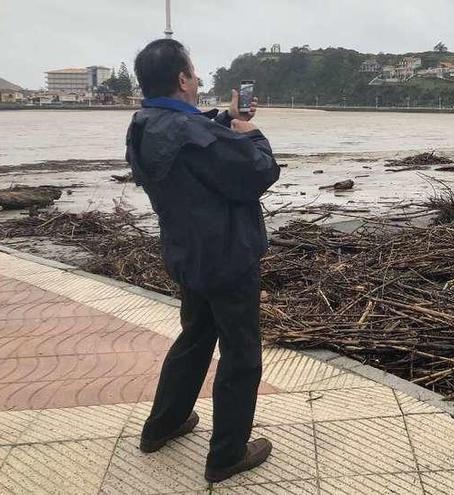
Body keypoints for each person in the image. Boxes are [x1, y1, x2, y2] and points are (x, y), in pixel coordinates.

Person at [126, 38, 280, 483]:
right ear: (182, 78)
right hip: (229, 257)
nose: (196, 81)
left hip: (186, 253)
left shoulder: (143, 124)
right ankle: (227, 454)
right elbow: (256, 173)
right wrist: (254, 134)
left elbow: (193, 140)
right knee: (241, 353)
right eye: (193, 74)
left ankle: (163, 424)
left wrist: (229, 119)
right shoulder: (194, 134)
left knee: (194, 337)